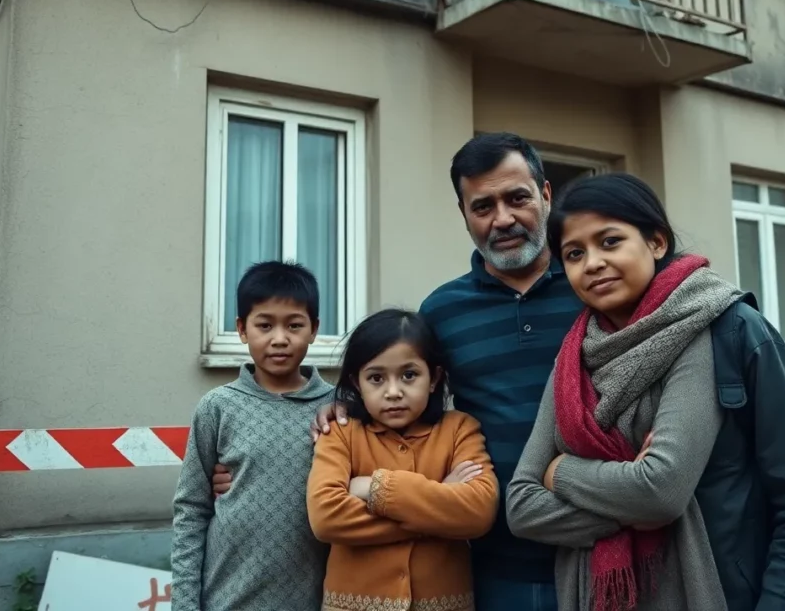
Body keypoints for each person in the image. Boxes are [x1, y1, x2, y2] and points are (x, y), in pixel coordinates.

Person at [215, 133, 582, 610]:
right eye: (483, 206)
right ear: (464, 214)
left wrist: (377, 489)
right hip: (490, 563)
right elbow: (392, 375)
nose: (503, 219)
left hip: (592, 544)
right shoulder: (443, 311)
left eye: (517, 198)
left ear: (546, 194)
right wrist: (324, 414)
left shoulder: (590, 287)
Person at [505, 173, 785, 610]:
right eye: (575, 253)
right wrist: (635, 494)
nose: (591, 262)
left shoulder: (723, 329)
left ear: (656, 243)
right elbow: (520, 506)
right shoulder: (573, 361)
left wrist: (561, 474)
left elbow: (663, 494)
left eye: (610, 241)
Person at [307, 308, 499, 611]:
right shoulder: (341, 433)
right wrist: (439, 502)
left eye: (409, 375)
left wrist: (372, 487)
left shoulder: (459, 429)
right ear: (357, 383)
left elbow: (479, 511)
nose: (393, 392)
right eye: (376, 378)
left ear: (434, 378)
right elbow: (326, 517)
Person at [171, 261, 334, 611]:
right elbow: (191, 509)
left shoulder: (338, 407)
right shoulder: (217, 407)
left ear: (314, 329)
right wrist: (184, 603)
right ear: (242, 329)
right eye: (264, 325)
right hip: (228, 597)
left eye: (294, 325)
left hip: (315, 599)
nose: (279, 338)